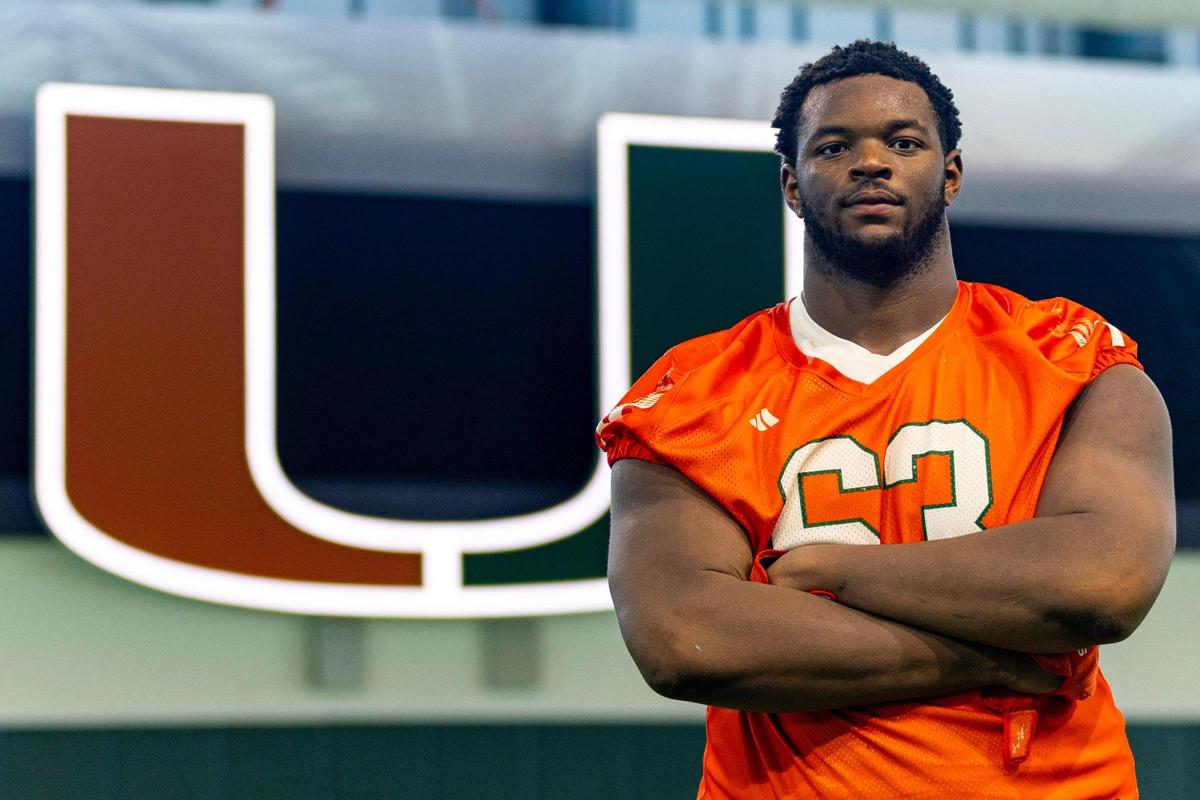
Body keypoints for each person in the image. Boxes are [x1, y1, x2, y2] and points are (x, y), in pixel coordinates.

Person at [597, 40, 1175, 798]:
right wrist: (987, 659)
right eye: (834, 146)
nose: (871, 162)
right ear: (792, 185)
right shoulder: (694, 390)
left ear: (951, 173)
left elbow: (1098, 585)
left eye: (903, 142)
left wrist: (829, 569)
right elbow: (686, 640)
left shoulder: (1071, 358)